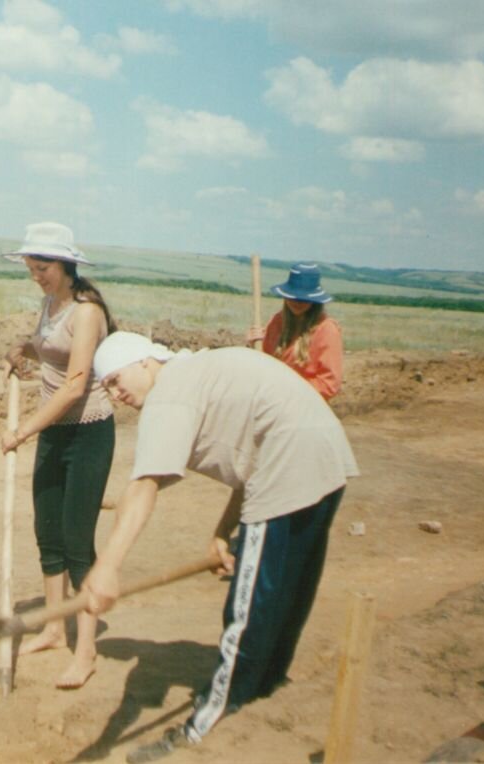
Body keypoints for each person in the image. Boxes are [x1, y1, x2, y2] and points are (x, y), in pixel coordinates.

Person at [81, 332, 359, 762]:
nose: (117, 395)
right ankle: (264, 694)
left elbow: (142, 487)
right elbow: (252, 453)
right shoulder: (198, 373)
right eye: (108, 388)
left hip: (288, 464)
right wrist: (223, 531)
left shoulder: (170, 394)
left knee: (247, 613)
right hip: (325, 456)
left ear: (144, 362)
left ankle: (203, 728)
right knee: (284, 601)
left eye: (117, 380)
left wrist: (107, 568)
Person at [0, 222, 117, 689]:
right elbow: (50, 348)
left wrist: (24, 430)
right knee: (46, 530)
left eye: (43, 267)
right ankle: (53, 627)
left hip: (87, 433)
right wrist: (21, 348)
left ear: (66, 267)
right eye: (31, 267)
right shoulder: (50, 304)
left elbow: (74, 383)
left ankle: (85, 650)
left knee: (76, 540)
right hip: (53, 432)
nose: (36, 275)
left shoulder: (87, 312)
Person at [245, 263, 343, 401]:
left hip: (306, 406)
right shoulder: (278, 321)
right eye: (293, 296)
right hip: (273, 401)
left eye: (303, 298)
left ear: (315, 300)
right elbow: (264, 367)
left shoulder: (326, 330)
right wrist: (252, 347)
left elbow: (329, 384)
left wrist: (287, 391)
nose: (297, 302)